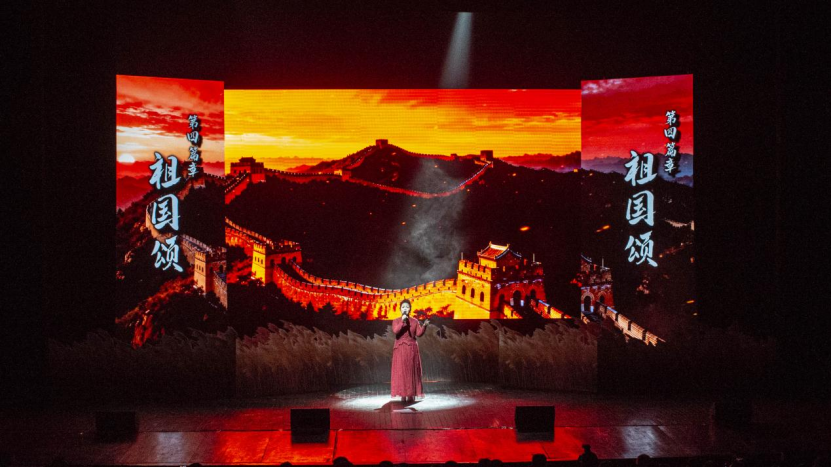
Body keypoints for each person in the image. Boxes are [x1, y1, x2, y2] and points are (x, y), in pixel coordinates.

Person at [391, 299, 429, 401]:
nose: (405, 309)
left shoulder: (414, 321)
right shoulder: (396, 320)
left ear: (410, 309)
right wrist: (402, 321)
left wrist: (424, 326)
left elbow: (418, 334)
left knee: (411, 371)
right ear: (400, 309)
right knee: (402, 371)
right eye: (403, 307)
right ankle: (403, 395)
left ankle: (411, 394)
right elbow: (396, 331)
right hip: (400, 349)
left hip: (411, 349)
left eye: (407, 307)